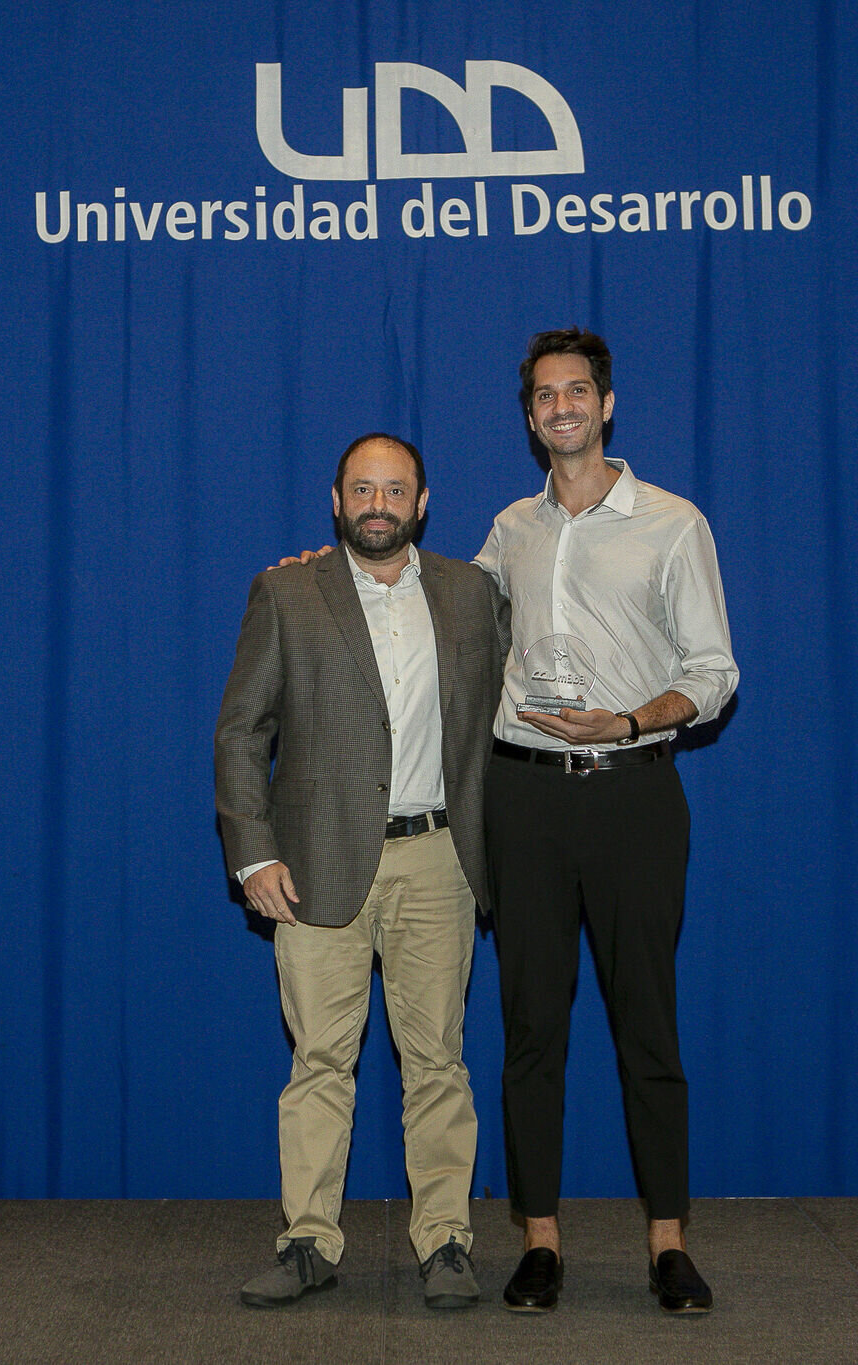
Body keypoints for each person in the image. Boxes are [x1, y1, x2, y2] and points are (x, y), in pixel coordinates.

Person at [476, 328, 737, 1315]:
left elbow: (713, 673)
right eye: (544, 394)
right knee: (530, 1027)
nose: (562, 407)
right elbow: (447, 616)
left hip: (633, 794)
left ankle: (669, 1243)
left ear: (607, 403)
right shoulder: (510, 528)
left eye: (576, 390)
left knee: (647, 1027)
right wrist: (334, 573)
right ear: (529, 414)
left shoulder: (672, 524)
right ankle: (538, 1240)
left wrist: (627, 720)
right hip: (524, 799)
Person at [214, 433, 508, 1310]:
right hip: (313, 864)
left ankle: (446, 1242)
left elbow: (516, 703)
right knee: (319, 1062)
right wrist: (254, 852)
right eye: (363, 489)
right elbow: (241, 732)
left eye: (396, 489)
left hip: (441, 861)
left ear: (423, 502)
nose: (379, 504)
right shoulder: (286, 591)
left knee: (439, 1062)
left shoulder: (473, 593)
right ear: (336, 500)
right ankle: (308, 1240)